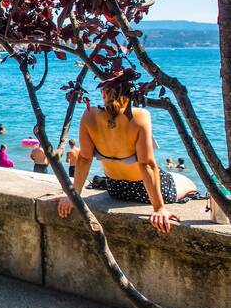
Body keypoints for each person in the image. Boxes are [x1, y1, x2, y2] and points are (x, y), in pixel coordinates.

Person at [58, 82, 197, 233]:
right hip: (146, 192)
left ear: (103, 93)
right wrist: (159, 208)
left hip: (116, 189)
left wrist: (73, 196)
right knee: (190, 184)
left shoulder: (89, 115)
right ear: (131, 95)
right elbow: (147, 165)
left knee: (174, 176)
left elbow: (84, 159)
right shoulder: (140, 116)